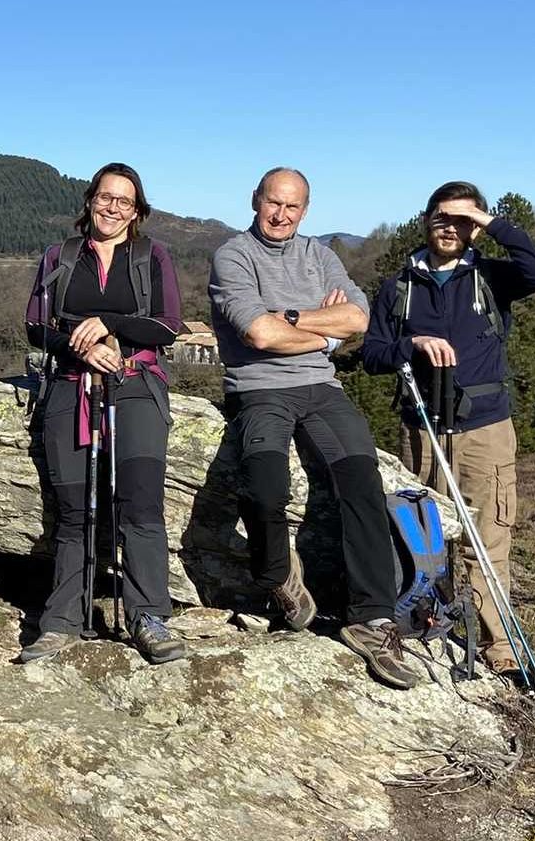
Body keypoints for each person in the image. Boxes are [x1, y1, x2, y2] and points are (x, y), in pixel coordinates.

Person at [207, 167, 422, 690]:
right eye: (272, 203)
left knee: (362, 481)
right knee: (263, 486)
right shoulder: (233, 256)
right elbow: (258, 334)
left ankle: (371, 618)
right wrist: (323, 334)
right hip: (258, 389)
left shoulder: (321, 255)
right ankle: (280, 574)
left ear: (305, 211)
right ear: (255, 200)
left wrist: (293, 320)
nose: (280, 215)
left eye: (292, 207)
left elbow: (359, 319)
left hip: (322, 391)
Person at [361, 181, 535, 677]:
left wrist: (489, 222)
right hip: (420, 429)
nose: (450, 227)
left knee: (486, 541)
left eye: (463, 220)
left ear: (476, 226)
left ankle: (499, 651)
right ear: (425, 220)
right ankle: (425, 626)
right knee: (420, 539)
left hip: (484, 431)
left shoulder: (491, 276)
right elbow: (372, 356)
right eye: (441, 217)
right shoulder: (399, 286)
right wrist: (413, 344)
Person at [17, 163, 188, 666]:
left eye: (125, 201)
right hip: (72, 386)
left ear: (137, 211)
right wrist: (81, 349)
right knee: (72, 512)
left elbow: (169, 325)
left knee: (139, 504)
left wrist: (109, 327)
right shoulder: (60, 256)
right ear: (90, 200)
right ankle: (62, 620)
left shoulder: (151, 256)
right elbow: (35, 326)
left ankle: (147, 615)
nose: (113, 208)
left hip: (135, 386)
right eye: (105, 197)